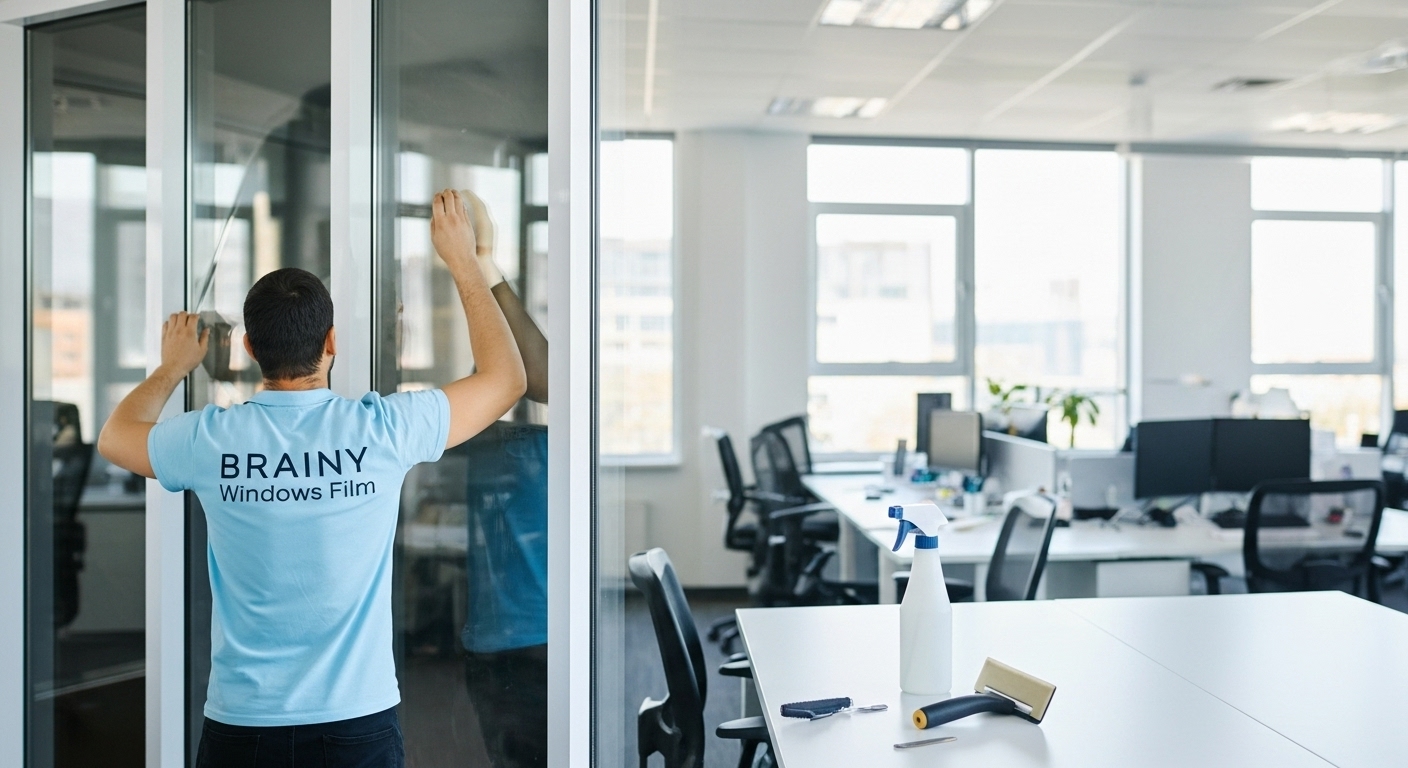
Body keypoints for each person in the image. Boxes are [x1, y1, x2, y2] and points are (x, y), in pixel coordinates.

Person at [97, 189, 524, 767]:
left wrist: (173, 367)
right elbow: (505, 380)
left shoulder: (210, 440)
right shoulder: (381, 430)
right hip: (355, 723)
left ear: (250, 349)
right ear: (330, 344)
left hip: (242, 726)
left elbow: (116, 434)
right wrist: (463, 263)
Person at [455, 190, 549, 768]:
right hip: (497, 639)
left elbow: (539, 376)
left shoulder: (541, 439)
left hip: (530, 638)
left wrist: (480, 265)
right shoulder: (468, 436)